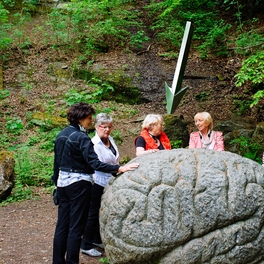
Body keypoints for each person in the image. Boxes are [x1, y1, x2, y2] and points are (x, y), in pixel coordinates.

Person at [52, 103, 139, 264]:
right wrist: (119, 168)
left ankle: (57, 261)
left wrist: (56, 183)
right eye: (89, 118)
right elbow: (95, 163)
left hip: (62, 185)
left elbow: (56, 163)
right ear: (80, 118)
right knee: (76, 227)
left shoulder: (62, 134)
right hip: (79, 184)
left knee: (62, 225)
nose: (91, 122)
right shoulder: (81, 137)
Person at [81, 113, 119, 257]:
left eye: (109, 127)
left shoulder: (111, 140)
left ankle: (97, 239)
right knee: (93, 214)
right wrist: (117, 168)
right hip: (97, 182)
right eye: (104, 127)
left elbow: (114, 159)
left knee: (102, 213)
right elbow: (97, 164)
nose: (107, 130)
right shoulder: (94, 144)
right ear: (97, 127)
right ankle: (86, 244)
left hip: (110, 180)